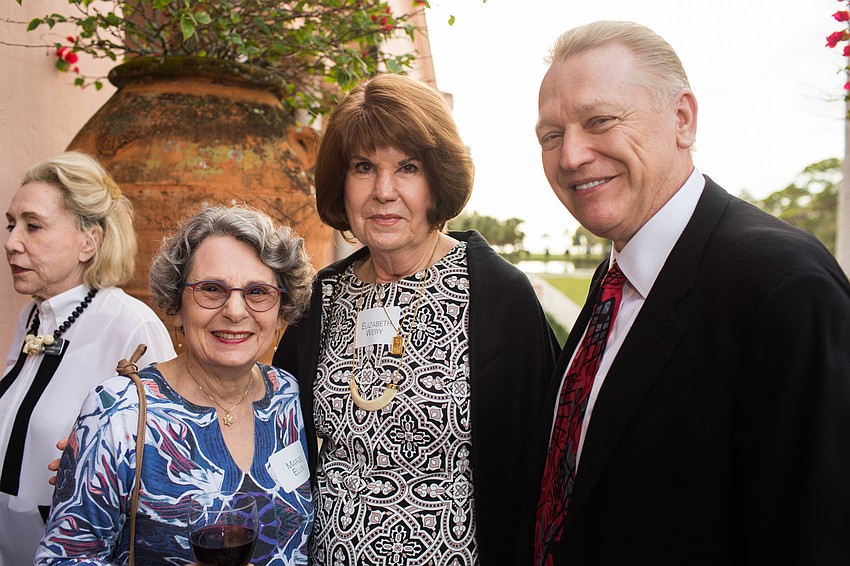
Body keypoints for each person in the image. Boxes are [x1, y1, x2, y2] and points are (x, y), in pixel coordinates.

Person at [530, 20, 850, 565]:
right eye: (551, 135)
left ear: (681, 119)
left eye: (600, 120)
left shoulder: (783, 288)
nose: (570, 156)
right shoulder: (614, 283)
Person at [273, 72, 560, 565]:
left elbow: (545, 468)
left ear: (437, 181)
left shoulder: (496, 295)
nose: (383, 191)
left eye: (407, 167)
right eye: (363, 167)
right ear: (341, 184)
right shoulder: (323, 297)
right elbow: (275, 429)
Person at [36, 205, 315, 564]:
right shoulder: (119, 412)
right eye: (211, 289)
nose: (234, 310)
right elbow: (66, 557)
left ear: (282, 310)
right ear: (177, 304)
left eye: (258, 292)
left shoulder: (288, 395)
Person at [0, 151, 175, 565]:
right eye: (11, 224)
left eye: (33, 226)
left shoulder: (132, 326)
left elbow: (169, 459)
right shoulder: (33, 316)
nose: (11, 242)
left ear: (88, 241)